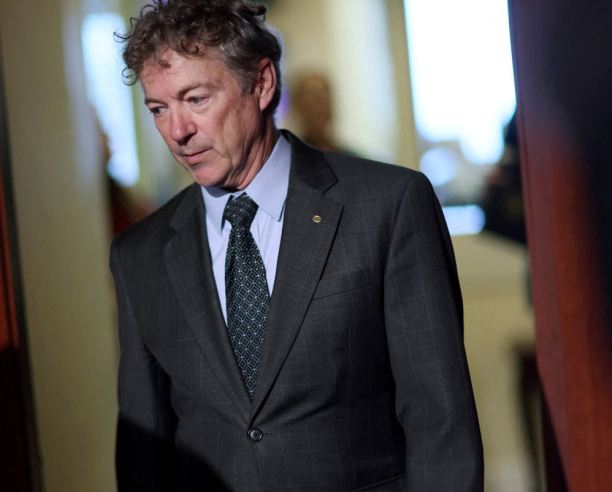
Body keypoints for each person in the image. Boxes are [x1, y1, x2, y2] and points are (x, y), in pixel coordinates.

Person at [110, 1, 483, 490]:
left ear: (262, 83)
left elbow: (442, 424)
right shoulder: (140, 255)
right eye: (159, 109)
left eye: (196, 99)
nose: (177, 131)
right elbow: (145, 453)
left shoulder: (386, 207)